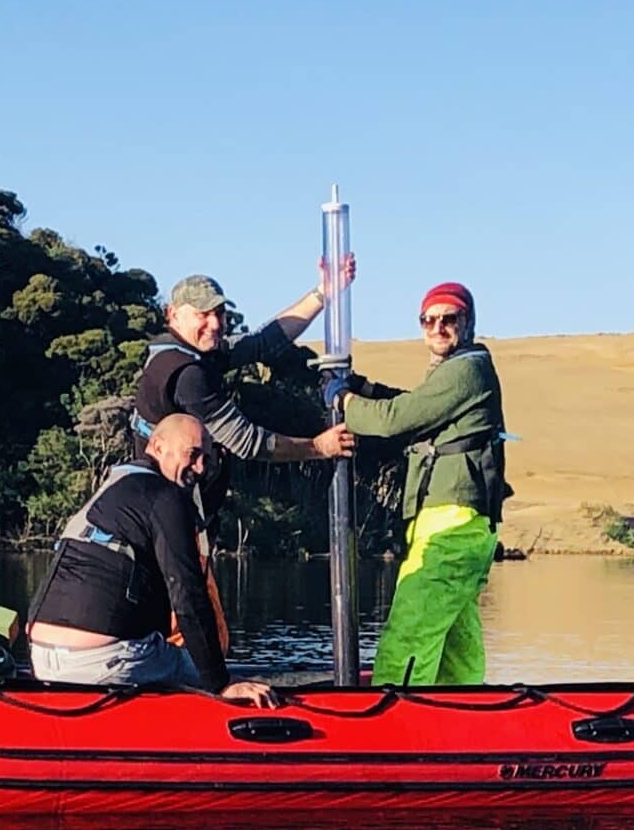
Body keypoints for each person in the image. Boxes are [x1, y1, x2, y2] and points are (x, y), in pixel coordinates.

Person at [26, 414, 282, 706]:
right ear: (157, 447)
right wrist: (221, 683)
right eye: (193, 454)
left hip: (41, 658)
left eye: (206, 458)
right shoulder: (166, 497)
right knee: (194, 668)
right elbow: (187, 594)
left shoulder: (113, 489)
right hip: (107, 661)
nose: (200, 468)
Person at [341, 282, 511, 687]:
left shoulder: (468, 369)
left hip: (452, 523)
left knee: (411, 631)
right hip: (454, 522)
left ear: (467, 323)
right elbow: (417, 404)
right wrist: (361, 387)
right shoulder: (455, 372)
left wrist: (344, 403)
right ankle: (463, 712)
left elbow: (393, 420)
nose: (437, 327)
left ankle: (394, 720)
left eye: (448, 318)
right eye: (428, 320)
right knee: (456, 639)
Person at [137, 269, 359, 524]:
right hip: (165, 510)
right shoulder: (187, 375)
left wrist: (323, 293)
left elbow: (263, 342)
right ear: (173, 314)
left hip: (175, 505)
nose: (216, 324)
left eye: (219, 314)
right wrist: (318, 447)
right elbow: (247, 441)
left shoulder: (191, 351)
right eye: (203, 314)